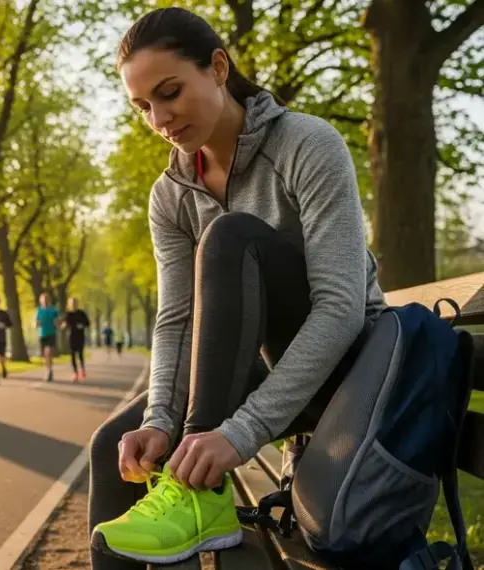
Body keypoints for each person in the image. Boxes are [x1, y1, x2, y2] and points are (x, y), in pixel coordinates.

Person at [87, 7, 387, 568]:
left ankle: (200, 496)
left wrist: (237, 434)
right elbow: (177, 319)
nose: (160, 118)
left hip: (343, 372)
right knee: (117, 448)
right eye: (143, 106)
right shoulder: (170, 194)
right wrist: (158, 420)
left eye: (170, 92)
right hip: (246, 375)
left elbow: (342, 308)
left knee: (230, 239)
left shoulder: (306, 144)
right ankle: (192, 496)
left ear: (218, 67)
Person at [62, 297, 91, 382]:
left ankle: (82, 369)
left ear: (77, 304)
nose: (73, 304)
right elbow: (64, 324)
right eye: (72, 303)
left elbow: (88, 323)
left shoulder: (81, 313)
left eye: (75, 303)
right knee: (72, 355)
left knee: (80, 354)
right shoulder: (68, 314)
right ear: (69, 304)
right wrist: (63, 326)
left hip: (80, 336)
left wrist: (82, 325)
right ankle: (75, 373)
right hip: (71, 336)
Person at [35, 293, 60, 382]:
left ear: (49, 300)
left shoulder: (53, 310)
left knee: (48, 352)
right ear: (40, 301)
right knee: (45, 355)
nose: (44, 301)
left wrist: (58, 326)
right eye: (43, 299)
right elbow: (36, 323)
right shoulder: (38, 311)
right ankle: (48, 370)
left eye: (46, 299)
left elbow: (57, 322)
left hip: (51, 334)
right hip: (42, 334)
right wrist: (36, 324)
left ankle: (49, 371)